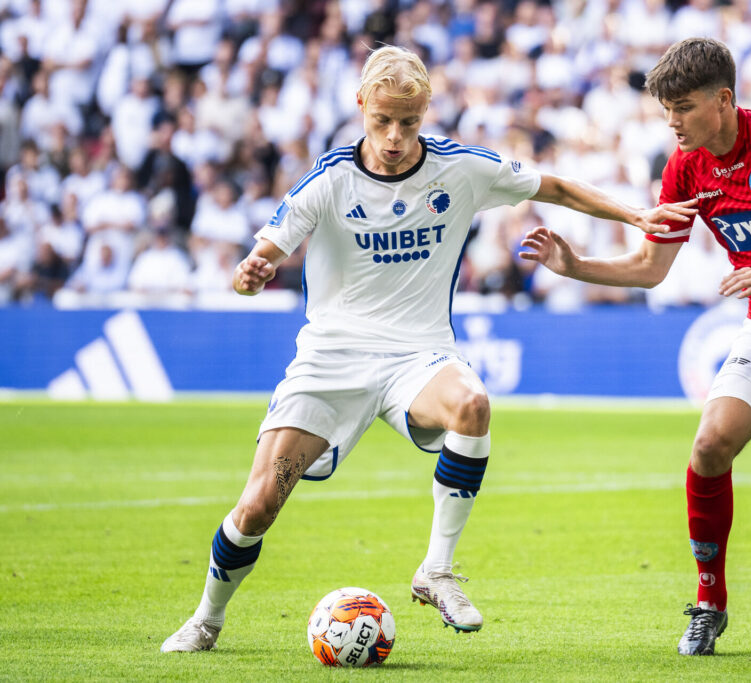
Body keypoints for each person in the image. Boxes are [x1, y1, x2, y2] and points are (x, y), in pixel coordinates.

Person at [161, 45, 696, 653]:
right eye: (382, 121)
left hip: (418, 355)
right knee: (257, 507)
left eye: (408, 123)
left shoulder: (460, 168)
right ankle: (206, 618)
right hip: (331, 358)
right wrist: (249, 275)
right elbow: (258, 259)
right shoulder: (331, 178)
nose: (393, 137)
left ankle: (436, 570)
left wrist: (636, 215)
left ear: (426, 113)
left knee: (473, 404)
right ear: (361, 104)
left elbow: (556, 187)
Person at [521, 38, 751, 656]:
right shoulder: (684, 166)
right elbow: (649, 269)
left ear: (723, 101)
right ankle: (709, 602)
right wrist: (576, 265)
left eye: (684, 108)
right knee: (709, 444)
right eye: (666, 110)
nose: (673, 122)